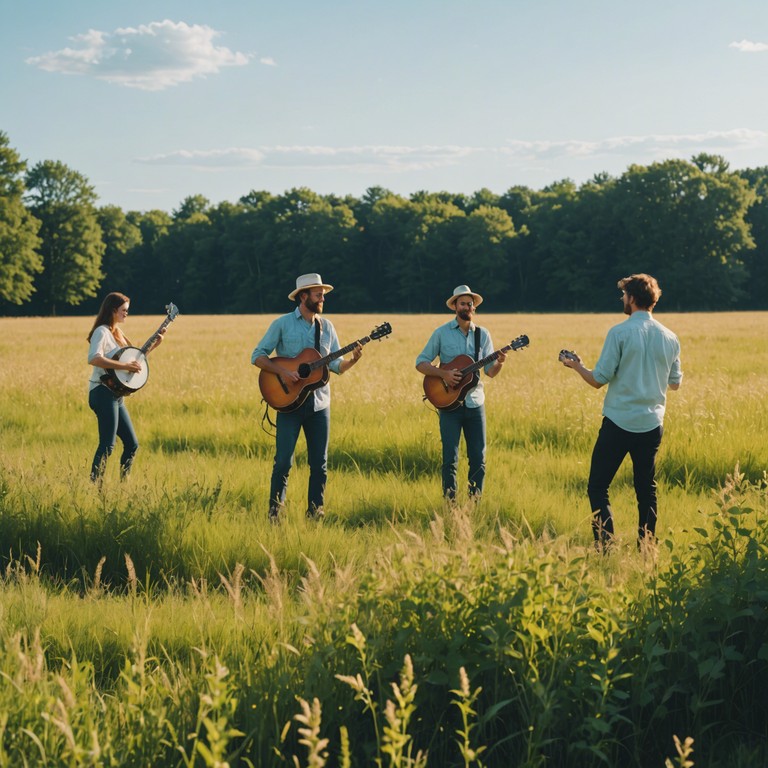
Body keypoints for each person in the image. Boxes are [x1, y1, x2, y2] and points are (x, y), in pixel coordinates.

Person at [559, 273, 683, 550]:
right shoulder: (671, 337)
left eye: (624, 294)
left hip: (618, 422)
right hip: (652, 424)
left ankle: (606, 547)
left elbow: (598, 380)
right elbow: (675, 384)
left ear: (633, 298)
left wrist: (576, 365)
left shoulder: (620, 333)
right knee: (646, 490)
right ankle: (646, 549)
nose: (621, 299)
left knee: (598, 487)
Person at [251, 273, 363, 524]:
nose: (323, 298)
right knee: (283, 463)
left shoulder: (328, 327)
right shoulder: (282, 324)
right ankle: (274, 516)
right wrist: (284, 372)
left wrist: (352, 361)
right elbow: (257, 356)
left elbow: (335, 366)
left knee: (319, 465)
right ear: (304, 296)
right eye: (318, 294)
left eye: (323, 294)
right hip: (288, 404)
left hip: (319, 405)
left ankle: (315, 514)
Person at [416, 284, 506, 504]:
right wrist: (443, 374)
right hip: (449, 407)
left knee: (478, 459)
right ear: (454, 306)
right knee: (450, 460)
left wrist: (500, 362)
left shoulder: (483, 335)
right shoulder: (441, 333)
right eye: (463, 303)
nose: (468, 306)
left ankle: (474, 504)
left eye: (470, 303)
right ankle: (450, 504)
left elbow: (490, 372)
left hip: (476, 405)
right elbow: (421, 363)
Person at [87, 291, 165, 482]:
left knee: (132, 444)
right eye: (124, 310)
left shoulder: (118, 333)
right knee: (108, 445)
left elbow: (133, 361)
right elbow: (93, 358)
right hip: (101, 392)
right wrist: (124, 366)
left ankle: (124, 485)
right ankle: (94, 486)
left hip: (116, 395)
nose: (126, 314)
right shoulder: (102, 332)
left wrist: (154, 346)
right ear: (113, 310)